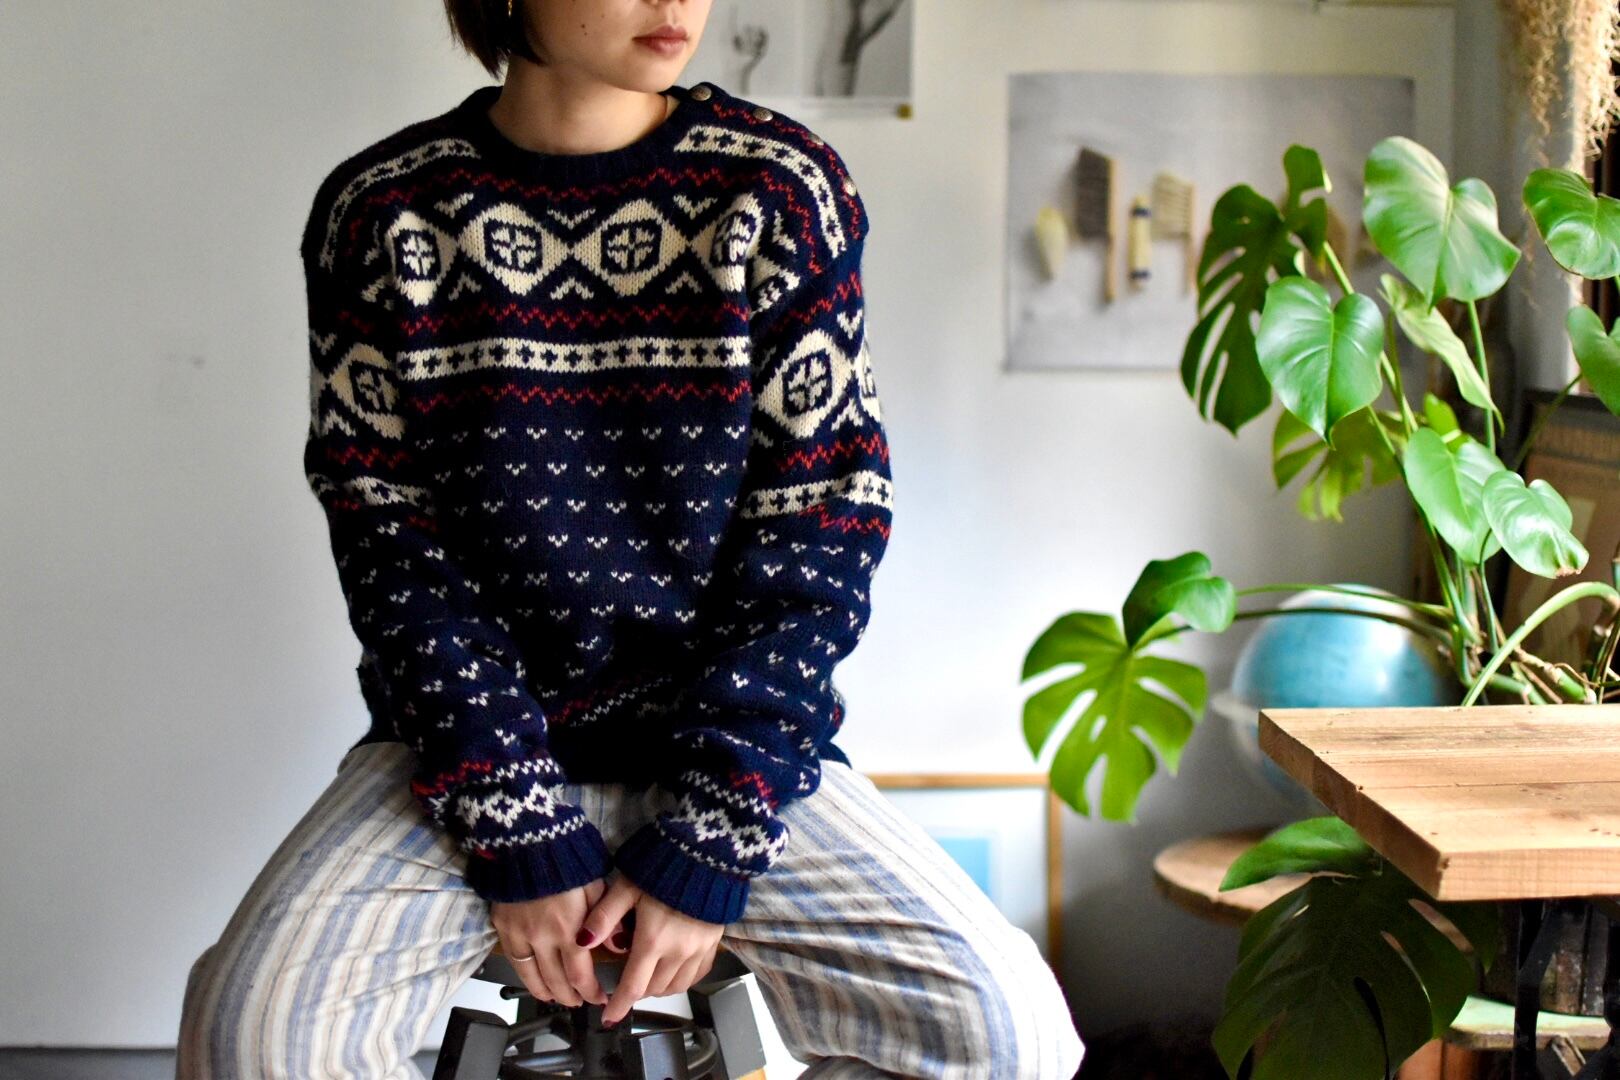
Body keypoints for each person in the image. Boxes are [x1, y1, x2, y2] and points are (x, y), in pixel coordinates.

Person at [175, 1, 1086, 1077]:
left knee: (1010, 1037)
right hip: (463, 756)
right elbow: (391, 551)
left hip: (731, 760)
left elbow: (824, 531)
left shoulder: (778, 189)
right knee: (254, 1038)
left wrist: (712, 835)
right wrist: (514, 823)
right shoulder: (383, 212)